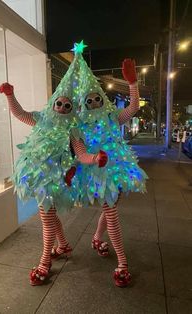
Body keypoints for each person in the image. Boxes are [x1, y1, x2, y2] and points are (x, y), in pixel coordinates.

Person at [0, 48, 108, 286]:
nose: (61, 106)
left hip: (56, 180)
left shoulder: (72, 130)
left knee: (46, 218)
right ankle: (64, 245)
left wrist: (95, 158)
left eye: (67, 105)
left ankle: (45, 261)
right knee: (48, 215)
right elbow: (19, 113)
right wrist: (10, 95)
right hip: (38, 178)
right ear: (53, 102)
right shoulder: (40, 118)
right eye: (59, 102)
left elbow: (81, 154)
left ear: (71, 110)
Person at [72, 45, 148, 287]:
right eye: (89, 100)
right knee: (112, 212)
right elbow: (81, 154)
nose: (94, 102)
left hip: (118, 171)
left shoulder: (112, 117)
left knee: (110, 209)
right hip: (98, 175)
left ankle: (96, 238)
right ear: (82, 103)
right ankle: (122, 261)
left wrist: (133, 83)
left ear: (101, 99)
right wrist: (95, 159)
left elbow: (134, 107)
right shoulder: (78, 128)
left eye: (97, 98)